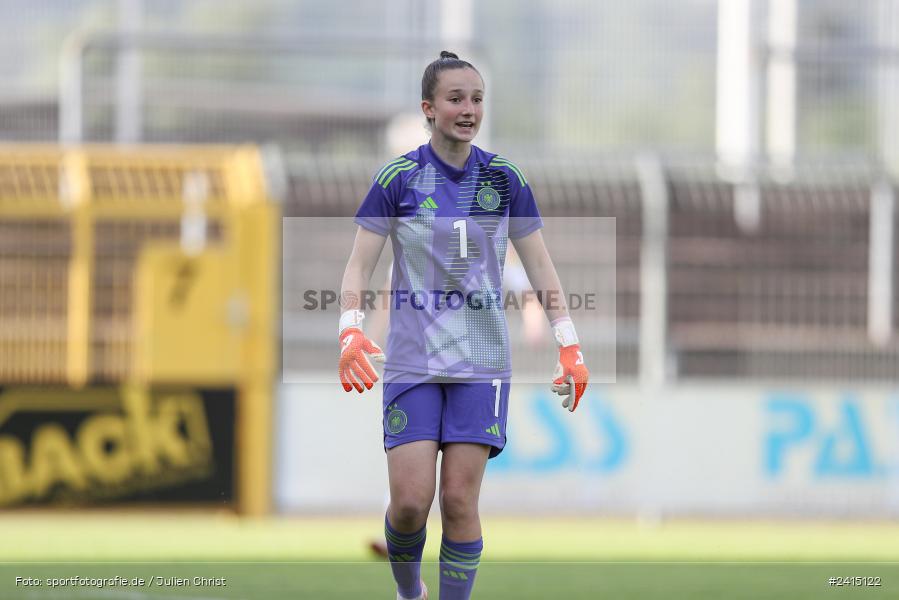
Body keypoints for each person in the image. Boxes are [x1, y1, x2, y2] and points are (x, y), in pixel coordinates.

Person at [338, 51, 589, 600]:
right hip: (411, 360)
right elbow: (360, 264)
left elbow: (541, 266)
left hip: (481, 364)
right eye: (456, 99)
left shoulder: (504, 178)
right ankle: (410, 593)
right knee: (409, 502)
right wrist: (350, 329)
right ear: (429, 109)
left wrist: (569, 345)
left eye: (476, 99)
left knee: (457, 498)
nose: (468, 108)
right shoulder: (398, 178)